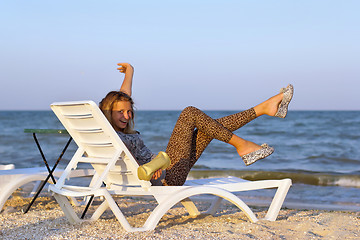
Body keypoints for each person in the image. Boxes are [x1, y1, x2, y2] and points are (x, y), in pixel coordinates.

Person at [99, 63, 294, 186]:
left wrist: (130, 72)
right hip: (165, 177)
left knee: (208, 127)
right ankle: (243, 144)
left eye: (128, 111)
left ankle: (263, 109)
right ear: (107, 113)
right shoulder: (113, 135)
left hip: (165, 165)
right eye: (120, 112)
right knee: (190, 113)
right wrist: (153, 167)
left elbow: (123, 97)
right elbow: (139, 169)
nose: (126, 116)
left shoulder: (108, 131)